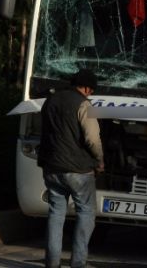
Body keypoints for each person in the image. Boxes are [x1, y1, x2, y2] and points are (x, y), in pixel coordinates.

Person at [37, 68, 104, 268]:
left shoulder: (51, 100)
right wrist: (99, 160)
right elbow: (92, 138)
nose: (91, 94)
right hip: (78, 170)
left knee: (56, 214)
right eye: (91, 90)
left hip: (51, 167)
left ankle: (52, 262)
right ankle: (78, 262)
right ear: (85, 87)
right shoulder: (84, 104)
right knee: (85, 212)